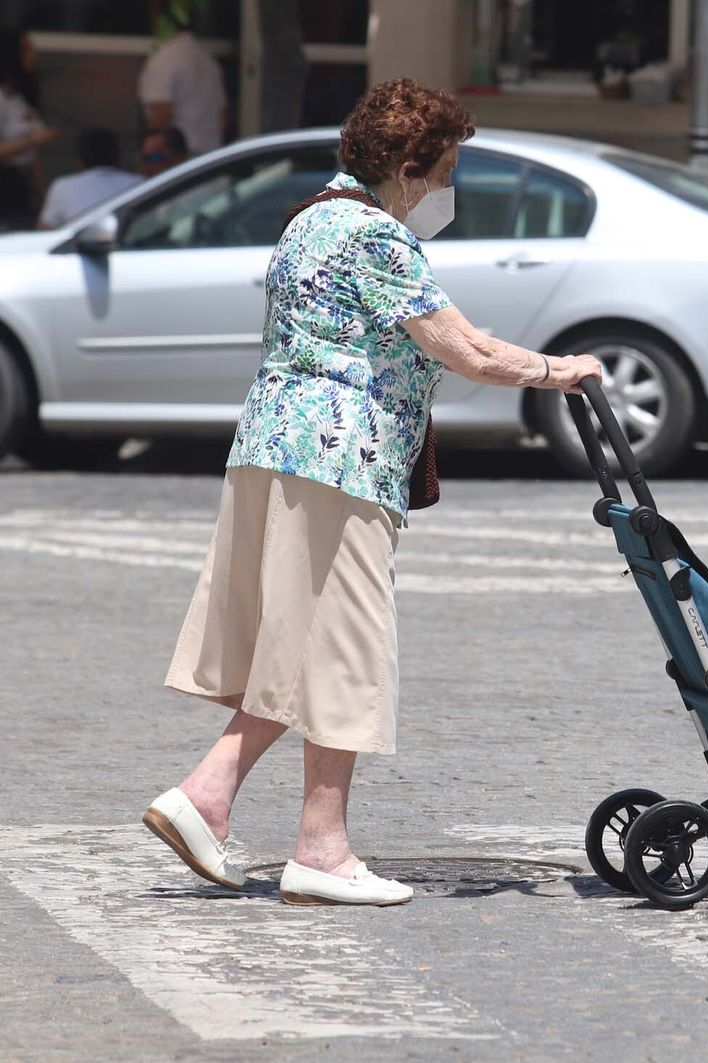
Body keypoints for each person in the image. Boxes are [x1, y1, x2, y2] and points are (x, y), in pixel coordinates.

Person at [145, 78, 603, 907]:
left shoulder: (310, 220)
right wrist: (558, 371)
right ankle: (295, 838)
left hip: (272, 447)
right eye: (446, 167)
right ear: (407, 165)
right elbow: (465, 351)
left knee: (307, 644)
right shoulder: (377, 239)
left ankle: (238, 810)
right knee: (343, 645)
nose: (448, 187)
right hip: (340, 456)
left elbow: (434, 335)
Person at [138, 1, 226, 157]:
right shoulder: (206, 59)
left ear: (158, 18)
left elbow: (161, 114)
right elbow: (222, 117)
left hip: (179, 162)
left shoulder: (163, 59)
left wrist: (151, 158)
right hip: (210, 158)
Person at [0, 29, 58, 230]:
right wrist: (33, 140)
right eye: (26, 49)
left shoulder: (20, 98)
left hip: (24, 188)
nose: (34, 55)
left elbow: (34, 159)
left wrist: (45, 198)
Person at [37, 128, 142, 228]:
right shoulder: (141, 184)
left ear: (79, 160)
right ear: (119, 155)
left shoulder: (62, 186)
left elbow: (44, 231)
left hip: (77, 246)